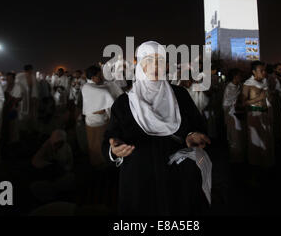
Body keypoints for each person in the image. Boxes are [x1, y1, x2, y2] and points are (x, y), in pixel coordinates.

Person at [102, 41, 211, 215]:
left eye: (160, 60)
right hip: (140, 178)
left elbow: (198, 125)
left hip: (177, 177)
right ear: (139, 65)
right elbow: (110, 138)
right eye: (148, 60)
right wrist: (114, 150)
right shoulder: (124, 103)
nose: (155, 65)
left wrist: (191, 134)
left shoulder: (180, 96)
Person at [242, 60, 275, 175]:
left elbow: (268, 99)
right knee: (255, 141)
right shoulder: (248, 84)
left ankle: (266, 163)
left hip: (265, 114)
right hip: (254, 116)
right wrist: (259, 98)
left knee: (266, 140)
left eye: (264, 70)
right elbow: (243, 103)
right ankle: (255, 167)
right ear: (254, 72)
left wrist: (268, 97)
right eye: (261, 70)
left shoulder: (265, 82)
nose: (264, 72)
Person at [82, 65, 115, 167]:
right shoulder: (101, 90)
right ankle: (103, 165)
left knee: (93, 145)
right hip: (100, 124)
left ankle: (97, 164)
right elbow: (109, 106)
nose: (101, 77)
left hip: (90, 122)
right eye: (99, 75)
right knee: (101, 146)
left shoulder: (85, 87)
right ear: (92, 78)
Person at [31, 129, 75, 202]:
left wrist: (64, 169)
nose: (58, 145)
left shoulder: (67, 148)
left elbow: (70, 163)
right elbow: (35, 160)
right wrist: (49, 164)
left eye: (61, 143)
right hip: (49, 172)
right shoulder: (47, 145)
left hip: (62, 171)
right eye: (56, 143)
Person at [222, 68, 245, 163]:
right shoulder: (229, 87)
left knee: (240, 135)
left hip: (239, 114)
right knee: (234, 136)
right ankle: (235, 158)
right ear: (235, 77)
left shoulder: (239, 86)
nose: (241, 77)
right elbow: (227, 102)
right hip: (231, 115)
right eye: (239, 75)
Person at [15, 64, 39, 135]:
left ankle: (30, 129)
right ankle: (22, 130)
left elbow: (35, 88)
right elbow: (17, 87)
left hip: (31, 97)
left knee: (32, 113)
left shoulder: (33, 77)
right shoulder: (19, 76)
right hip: (23, 98)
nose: (31, 71)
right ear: (28, 70)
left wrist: (35, 97)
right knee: (22, 113)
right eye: (31, 70)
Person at [1, 72, 22, 146]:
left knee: (13, 126)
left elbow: (18, 98)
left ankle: (13, 141)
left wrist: (11, 100)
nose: (8, 80)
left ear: (13, 79)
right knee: (5, 126)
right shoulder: (3, 87)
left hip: (13, 109)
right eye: (7, 79)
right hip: (5, 110)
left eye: (10, 78)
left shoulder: (18, 87)